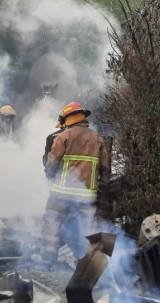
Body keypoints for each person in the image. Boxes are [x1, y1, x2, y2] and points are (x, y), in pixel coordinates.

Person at [40, 102, 110, 264]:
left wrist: (50, 176)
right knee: (87, 228)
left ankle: (48, 260)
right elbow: (105, 169)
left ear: (67, 119)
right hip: (86, 196)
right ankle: (90, 262)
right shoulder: (97, 138)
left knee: (51, 221)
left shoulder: (63, 136)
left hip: (62, 193)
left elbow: (52, 163)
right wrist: (102, 192)